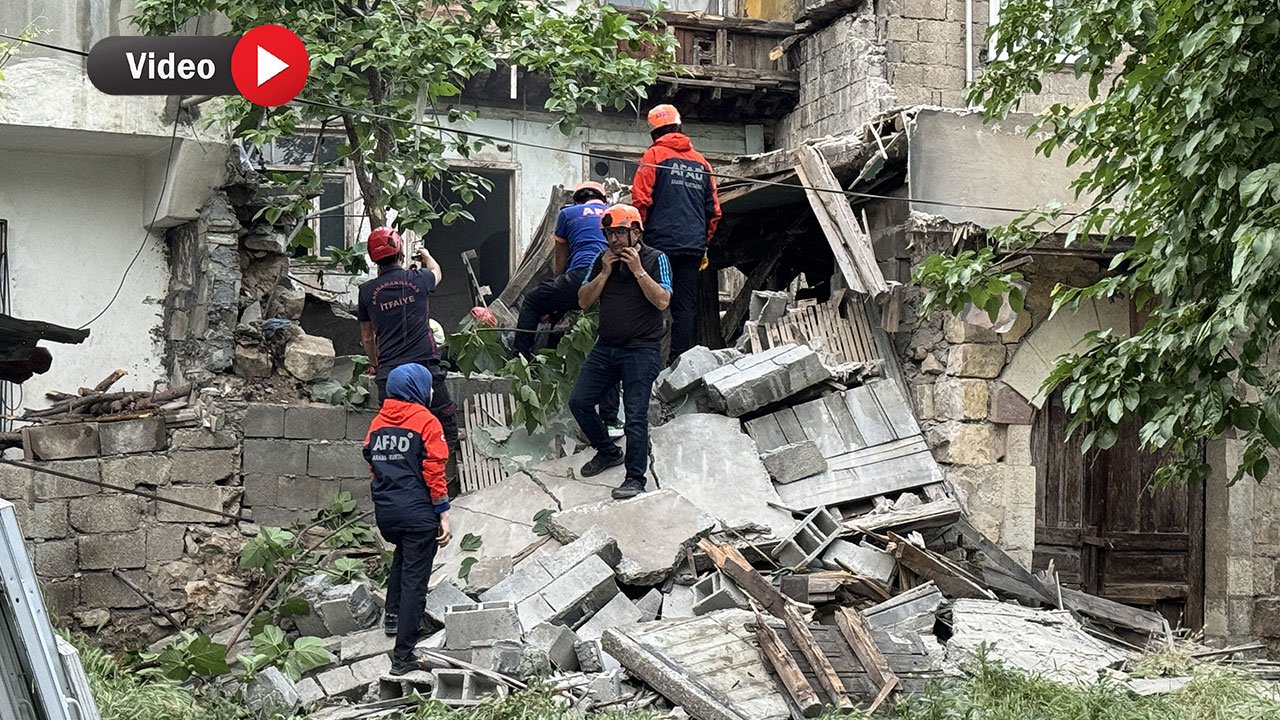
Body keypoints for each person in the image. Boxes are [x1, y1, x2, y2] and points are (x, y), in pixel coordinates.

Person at [569, 204, 672, 500]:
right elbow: (583, 301)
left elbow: (663, 300)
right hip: (606, 347)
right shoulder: (603, 260)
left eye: (620, 232)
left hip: (642, 349)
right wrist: (604, 272)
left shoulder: (656, 258)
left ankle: (635, 478)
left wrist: (638, 270)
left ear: (636, 232)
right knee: (580, 401)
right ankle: (608, 450)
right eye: (609, 233)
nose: (614, 239)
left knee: (636, 416)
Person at [362, 363, 452, 676]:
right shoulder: (427, 422)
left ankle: (392, 614)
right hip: (418, 513)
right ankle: (403, 655)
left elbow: (371, 461)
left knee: (403, 555)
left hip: (387, 514)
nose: (429, 392)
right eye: (427, 386)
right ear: (417, 388)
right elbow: (435, 471)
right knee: (417, 579)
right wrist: (442, 512)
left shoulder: (377, 422)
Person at [511, 180, 621, 435]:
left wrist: (557, 286)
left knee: (533, 300)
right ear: (602, 199)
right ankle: (611, 417)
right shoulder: (612, 213)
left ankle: (520, 356)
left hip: (583, 273)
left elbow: (560, 259)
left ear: (577, 199)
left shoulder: (568, 213)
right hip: (612, 278)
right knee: (607, 342)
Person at [357, 225, 461, 495]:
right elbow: (438, 272)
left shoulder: (367, 291)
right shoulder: (419, 279)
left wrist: (376, 363)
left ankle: (396, 487)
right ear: (400, 251)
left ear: (372, 258)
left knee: (390, 433)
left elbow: (368, 338)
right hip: (426, 367)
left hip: (390, 372)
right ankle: (447, 483)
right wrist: (426, 255)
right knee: (444, 420)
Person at [631, 104, 722, 365]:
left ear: (653, 133)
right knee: (685, 308)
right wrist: (702, 242)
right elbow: (713, 211)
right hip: (692, 246)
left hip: (658, 246)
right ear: (680, 127)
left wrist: (639, 239)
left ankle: (646, 362)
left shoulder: (653, 156)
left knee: (650, 301)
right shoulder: (702, 162)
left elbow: (640, 202)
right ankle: (677, 365)